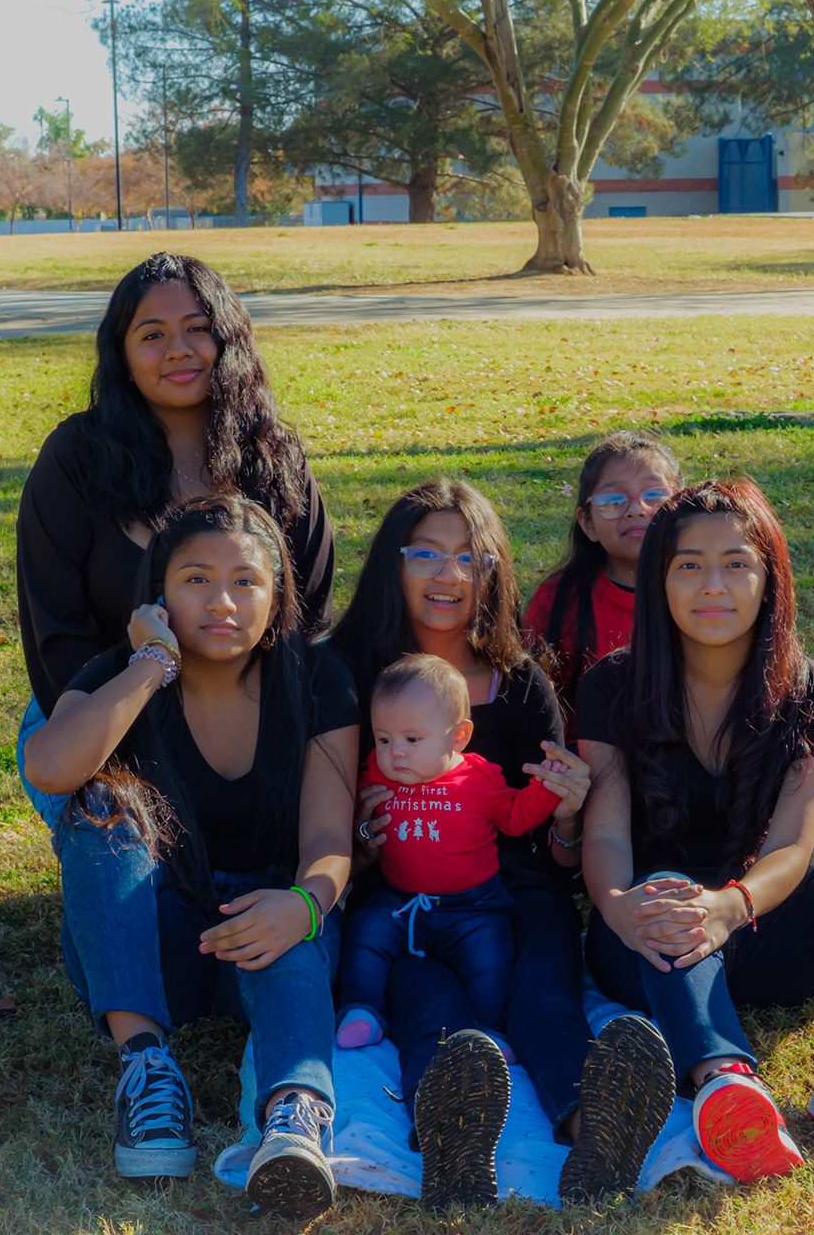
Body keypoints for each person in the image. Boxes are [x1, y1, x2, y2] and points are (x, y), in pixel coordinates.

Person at [579, 478, 814, 1180]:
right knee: (667, 886)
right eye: (689, 565)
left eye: (736, 564)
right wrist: (618, 906)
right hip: (648, 940)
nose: (713, 586)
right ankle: (724, 1085)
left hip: (761, 928)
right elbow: (605, 836)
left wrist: (732, 905)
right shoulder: (612, 685)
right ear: (658, 580)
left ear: (769, 578)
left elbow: (791, 849)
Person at [328, 480, 675, 1208]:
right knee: (428, 1001)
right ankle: (453, 1138)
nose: (449, 574)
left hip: (515, 890)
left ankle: (592, 1129)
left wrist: (569, 816)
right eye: (426, 553)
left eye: (470, 557)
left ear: (493, 572)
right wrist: (364, 836)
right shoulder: (352, 676)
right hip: (403, 896)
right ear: (393, 562)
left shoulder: (520, 684)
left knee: (542, 990)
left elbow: (556, 852)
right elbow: (329, 834)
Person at [21, 496, 357, 1220]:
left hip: (260, 929)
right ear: (159, 595)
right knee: (98, 804)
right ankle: (146, 1068)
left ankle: (295, 1119)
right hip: (149, 939)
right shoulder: (119, 673)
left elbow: (330, 842)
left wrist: (304, 904)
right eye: (196, 579)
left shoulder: (319, 680)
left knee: (293, 928)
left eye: (246, 581)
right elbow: (49, 766)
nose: (222, 602)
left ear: (277, 595)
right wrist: (151, 664)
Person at [16, 250, 333, 728]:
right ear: (123, 357)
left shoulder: (274, 456)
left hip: (255, 722)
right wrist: (128, 738)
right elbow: (57, 636)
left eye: (198, 328)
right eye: (152, 335)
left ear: (228, 340)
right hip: (100, 721)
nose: (178, 349)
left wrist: (260, 730)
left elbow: (309, 617)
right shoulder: (75, 458)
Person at [335, 654, 584, 1052]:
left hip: (475, 906)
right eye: (384, 739)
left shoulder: (479, 776)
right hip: (399, 899)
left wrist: (546, 788)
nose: (395, 752)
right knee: (365, 936)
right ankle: (360, 1008)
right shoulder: (377, 772)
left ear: (459, 737)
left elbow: (515, 818)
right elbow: (346, 803)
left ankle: (491, 1031)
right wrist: (358, 823)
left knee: (491, 962)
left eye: (412, 740)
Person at [525, 430, 681, 704]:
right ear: (587, 523)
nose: (636, 509)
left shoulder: (705, 590)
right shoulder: (557, 601)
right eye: (613, 501)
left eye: (655, 496)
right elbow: (532, 702)